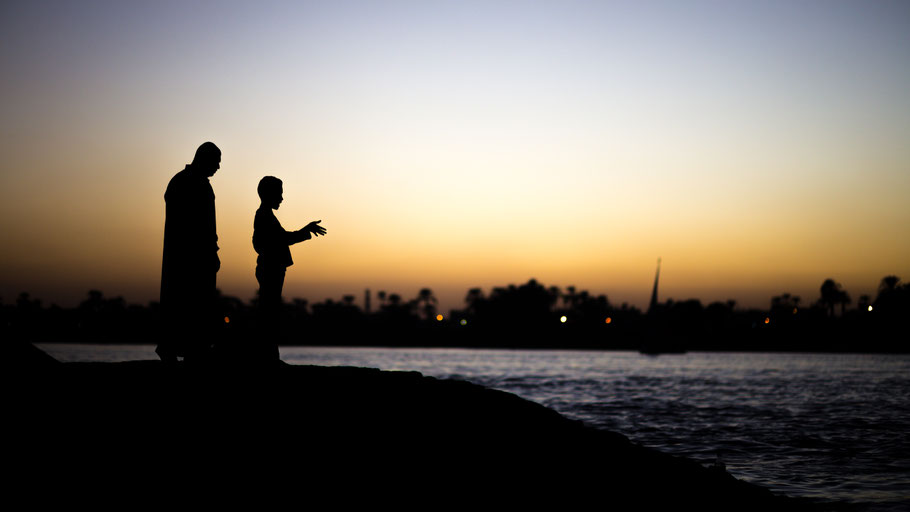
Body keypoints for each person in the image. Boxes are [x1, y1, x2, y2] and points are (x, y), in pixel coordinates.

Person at [157, 142, 222, 363]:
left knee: (197, 302)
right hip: (188, 256)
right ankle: (179, 347)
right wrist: (208, 249)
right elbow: (196, 224)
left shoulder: (193, 183)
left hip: (197, 254)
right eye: (216, 161)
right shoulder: (186, 182)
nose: (218, 167)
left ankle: (193, 347)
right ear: (205, 159)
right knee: (185, 300)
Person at [253, 176, 326, 361]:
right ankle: (267, 357)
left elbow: (275, 239)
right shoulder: (264, 216)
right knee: (269, 313)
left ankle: (268, 356)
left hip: (272, 268)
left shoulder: (265, 215)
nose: (282, 198)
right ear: (269, 194)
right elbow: (279, 239)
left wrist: (304, 230)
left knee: (270, 312)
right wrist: (305, 231)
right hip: (271, 269)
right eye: (279, 194)